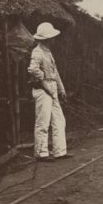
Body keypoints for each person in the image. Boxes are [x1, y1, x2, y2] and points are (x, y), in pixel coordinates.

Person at [28, 22, 73, 162]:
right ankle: (41, 153)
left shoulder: (48, 52)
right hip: (43, 88)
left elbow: (55, 72)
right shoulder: (37, 51)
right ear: (46, 39)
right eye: (51, 38)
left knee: (59, 120)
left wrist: (61, 89)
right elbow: (32, 69)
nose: (53, 40)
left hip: (52, 87)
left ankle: (60, 151)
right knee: (43, 121)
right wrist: (42, 78)